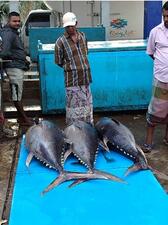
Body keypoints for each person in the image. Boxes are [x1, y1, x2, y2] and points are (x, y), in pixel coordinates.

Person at [55, 12, 93, 125]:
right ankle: (74, 130)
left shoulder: (83, 36)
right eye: (67, 27)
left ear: (76, 23)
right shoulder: (60, 42)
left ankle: (87, 128)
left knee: (87, 105)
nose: (70, 28)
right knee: (73, 107)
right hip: (72, 80)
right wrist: (72, 67)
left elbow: (86, 52)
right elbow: (58, 61)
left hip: (85, 78)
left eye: (72, 25)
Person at [142, 2, 168, 153]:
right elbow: (151, 53)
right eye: (164, 16)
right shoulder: (155, 32)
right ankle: (148, 142)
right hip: (161, 79)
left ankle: (166, 138)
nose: (166, 19)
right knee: (154, 112)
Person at [0, 11, 33, 126]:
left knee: (17, 94)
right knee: (17, 95)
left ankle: (21, 118)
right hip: (14, 68)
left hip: (17, 66)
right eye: (14, 21)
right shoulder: (8, 34)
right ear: (8, 21)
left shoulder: (12, 32)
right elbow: (4, 52)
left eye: (19, 21)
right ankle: (25, 119)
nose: (17, 23)